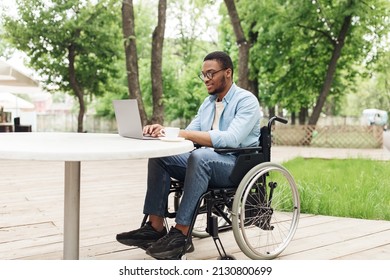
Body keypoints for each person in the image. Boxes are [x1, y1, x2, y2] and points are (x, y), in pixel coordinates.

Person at [116, 51, 261, 259]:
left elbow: (231, 139)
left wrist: (184, 134)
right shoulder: (208, 104)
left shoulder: (246, 101)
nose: (206, 80)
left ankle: (182, 234)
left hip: (235, 165)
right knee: (160, 155)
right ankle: (155, 227)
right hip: (204, 162)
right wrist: (162, 131)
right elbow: (188, 135)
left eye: (211, 74)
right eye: (203, 74)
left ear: (227, 73)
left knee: (200, 157)